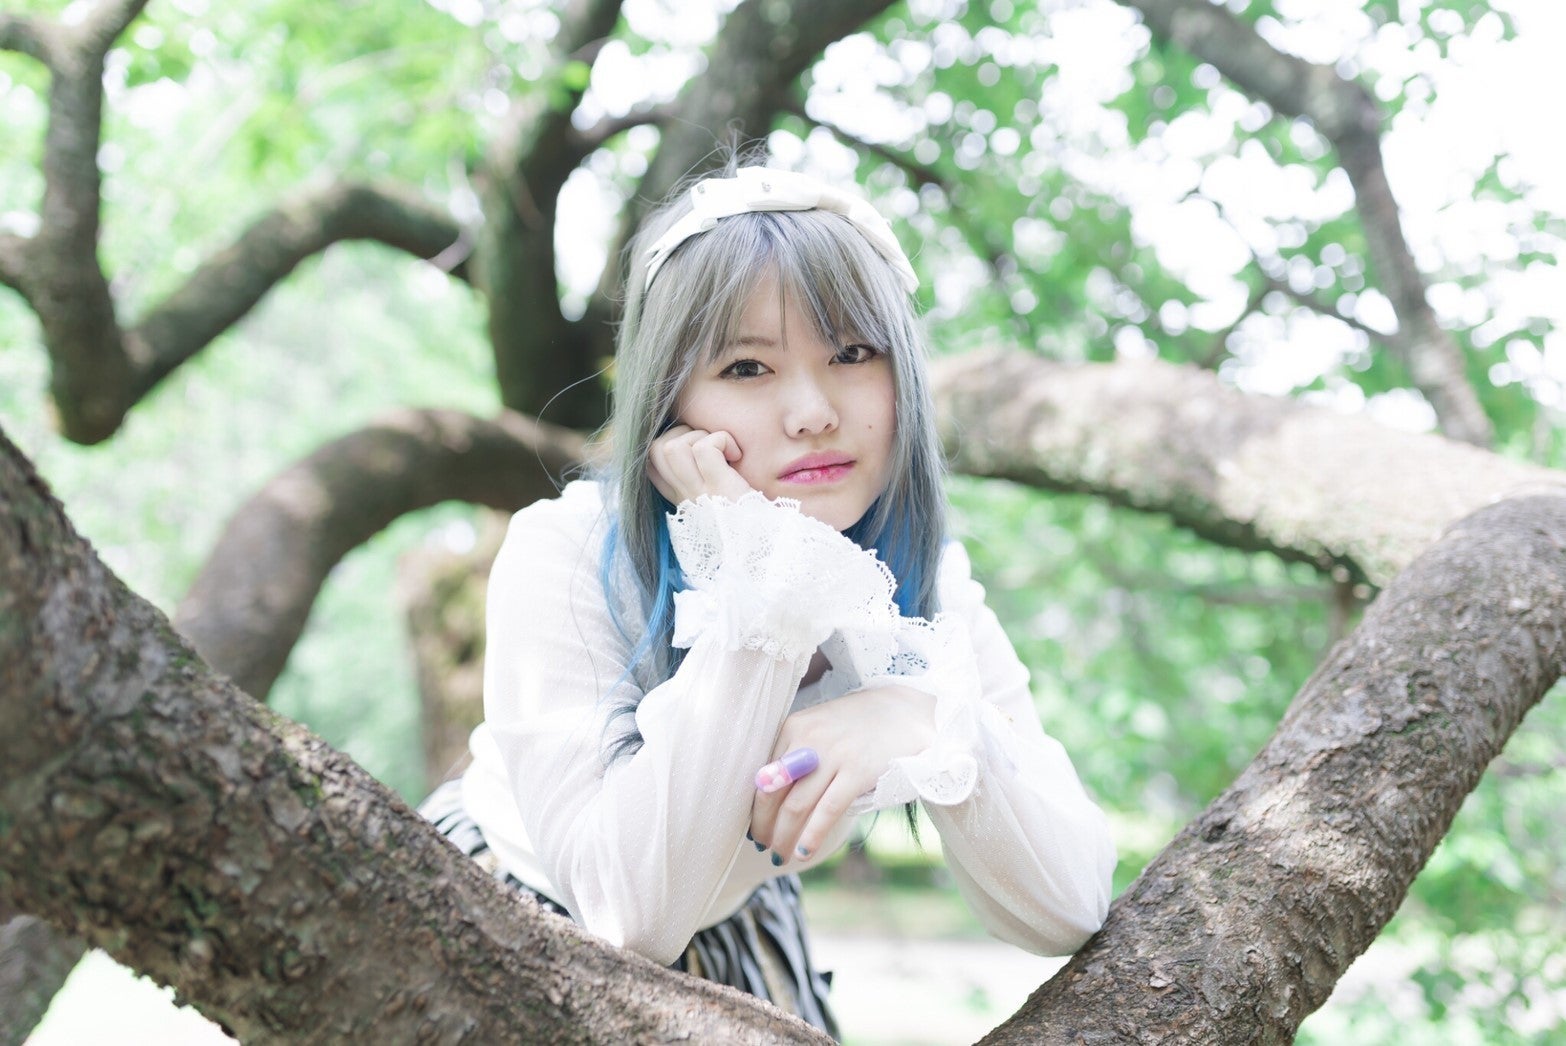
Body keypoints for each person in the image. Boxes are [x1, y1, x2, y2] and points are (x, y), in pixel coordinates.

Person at [419, 162, 1115, 1036]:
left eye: (852, 354)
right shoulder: (564, 552)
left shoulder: (924, 584)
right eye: (746, 366)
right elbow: (627, 912)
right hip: (502, 927)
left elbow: (1069, 906)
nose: (812, 412)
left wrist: (925, 720)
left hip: (742, 948)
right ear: (669, 403)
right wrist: (766, 578)